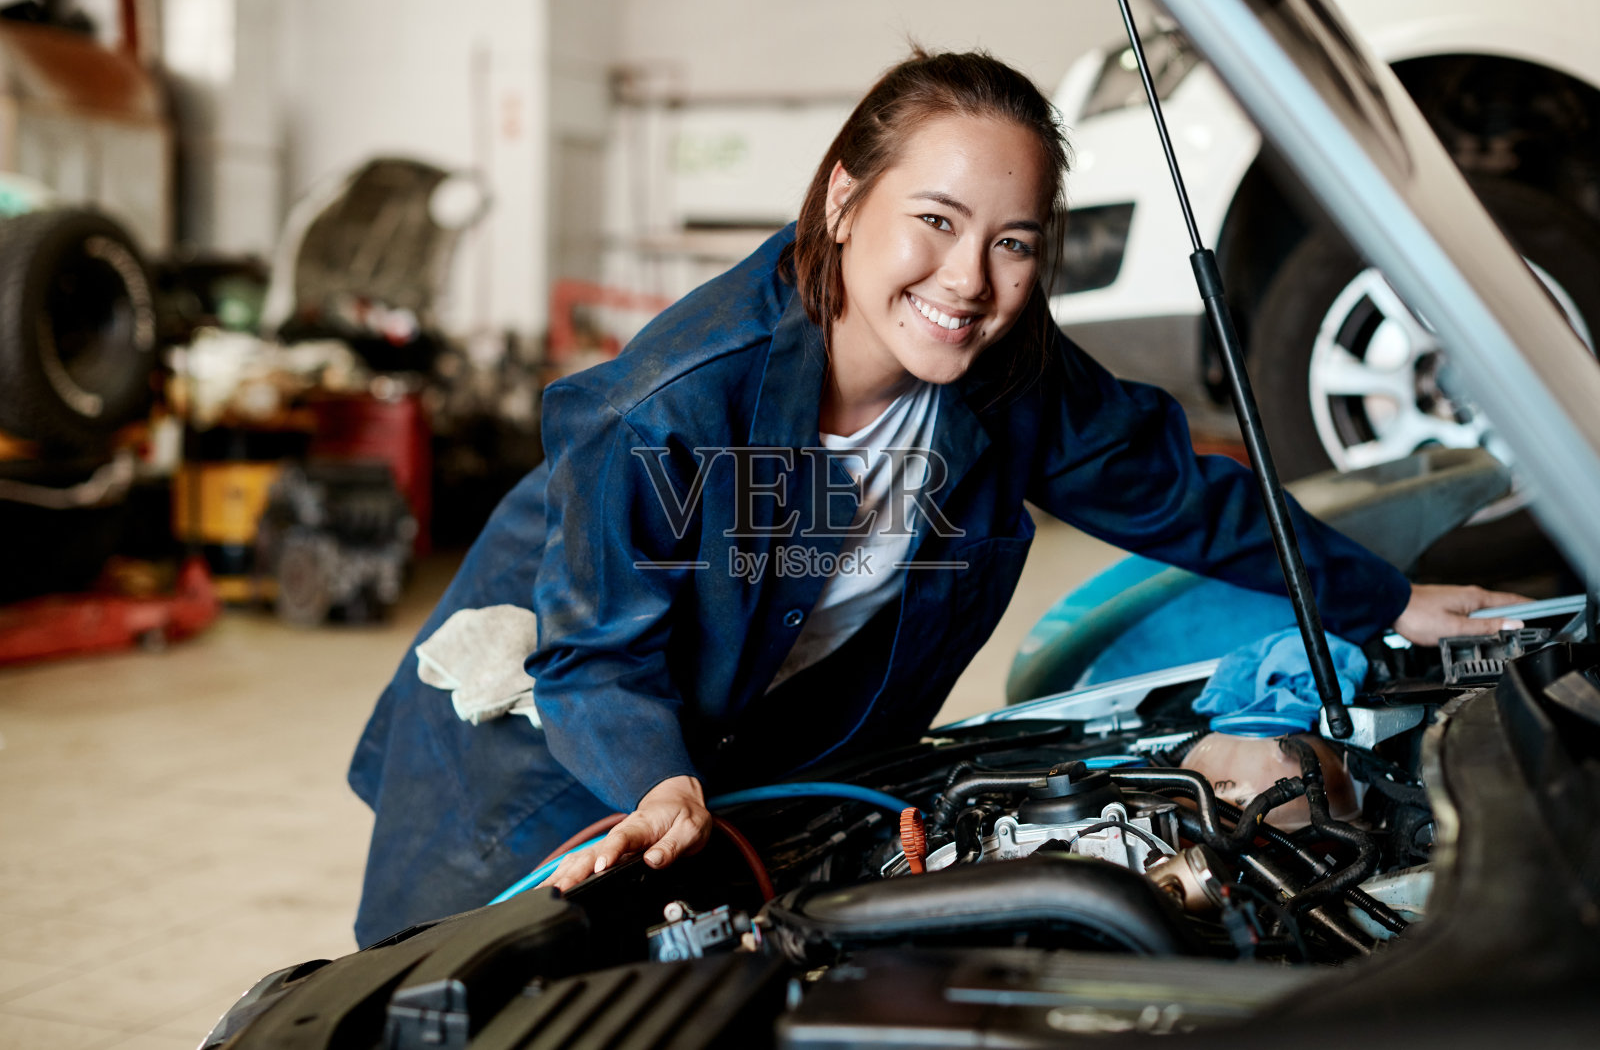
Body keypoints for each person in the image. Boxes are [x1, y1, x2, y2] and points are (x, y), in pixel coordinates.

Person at [347, 48, 1522, 947]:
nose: (969, 282)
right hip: (548, 751)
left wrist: (1378, 597)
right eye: (936, 221)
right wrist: (659, 779)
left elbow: (1180, 494)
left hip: (743, 754)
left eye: (1016, 242)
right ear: (843, 197)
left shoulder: (1006, 378)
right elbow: (597, 656)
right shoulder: (673, 400)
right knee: (476, 987)